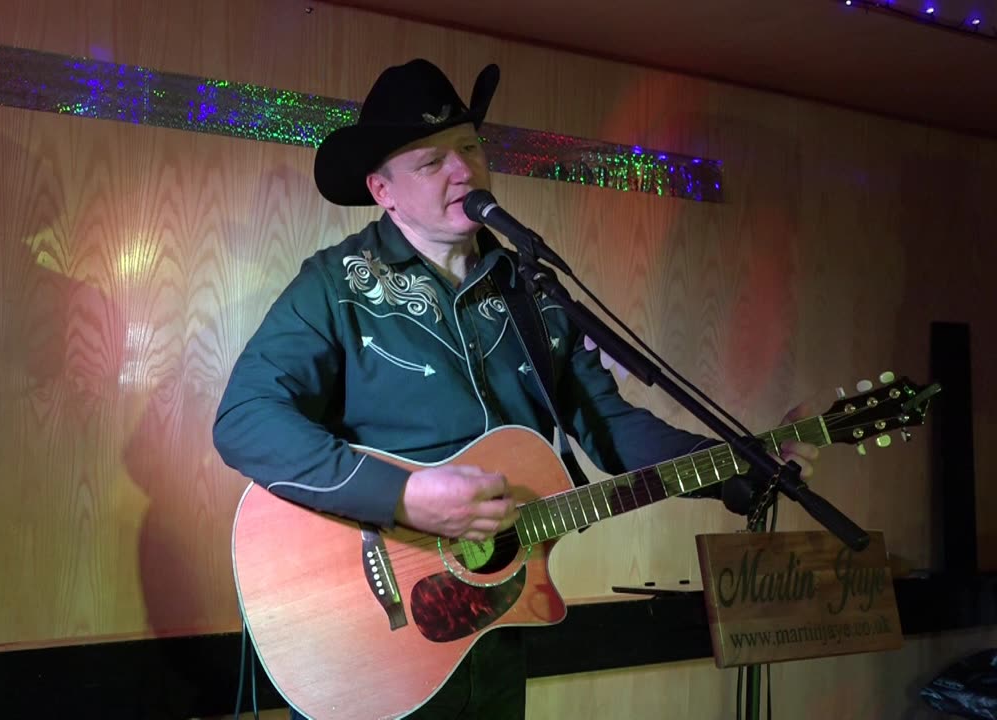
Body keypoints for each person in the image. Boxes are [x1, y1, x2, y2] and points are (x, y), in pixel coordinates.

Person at [212, 58, 818, 719]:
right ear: (382, 190)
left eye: (470, 148)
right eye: (431, 161)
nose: (463, 171)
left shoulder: (533, 295)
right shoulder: (333, 285)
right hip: (368, 641)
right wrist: (407, 497)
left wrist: (745, 468)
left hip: (494, 624)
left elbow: (611, 429)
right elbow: (245, 419)